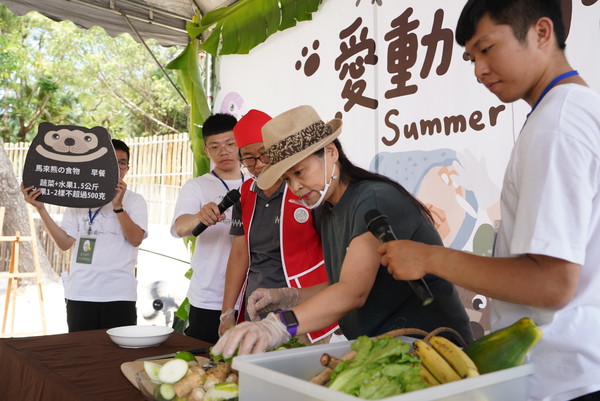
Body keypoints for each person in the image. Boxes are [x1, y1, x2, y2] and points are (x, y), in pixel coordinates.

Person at [378, 1, 600, 399]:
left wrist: (429, 258)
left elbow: (552, 283)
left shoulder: (556, 127)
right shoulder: (577, 111)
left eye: (487, 49)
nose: (479, 70)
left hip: (561, 381)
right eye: (470, 57)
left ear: (542, 33)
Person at [212, 105, 473, 358]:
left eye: (300, 172)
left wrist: (280, 325)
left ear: (331, 153)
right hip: (384, 348)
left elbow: (352, 292)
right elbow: (340, 283)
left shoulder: (373, 199)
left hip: (433, 347)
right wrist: (287, 295)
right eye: (288, 179)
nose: (296, 187)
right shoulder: (329, 208)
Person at [219, 109, 337, 344]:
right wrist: (227, 312)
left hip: (304, 307)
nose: (258, 164)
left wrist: (339, 303)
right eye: (248, 157)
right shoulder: (245, 194)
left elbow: (333, 249)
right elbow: (240, 253)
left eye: (264, 154)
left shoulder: (303, 187)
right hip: (258, 306)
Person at [21, 139, 148, 332]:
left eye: (121, 163)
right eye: (110, 162)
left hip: (120, 294)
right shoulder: (79, 198)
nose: (116, 168)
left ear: (127, 168)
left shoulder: (135, 201)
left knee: (119, 358)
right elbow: (64, 243)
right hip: (80, 293)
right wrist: (41, 210)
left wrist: (118, 206)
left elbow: (136, 239)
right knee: (81, 356)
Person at [171, 113, 244, 344]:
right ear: (206, 151)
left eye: (230, 144)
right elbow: (178, 227)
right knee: (204, 363)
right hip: (209, 298)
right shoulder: (197, 186)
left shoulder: (256, 183)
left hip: (248, 297)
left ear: (240, 143)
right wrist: (199, 216)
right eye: (215, 146)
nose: (224, 152)